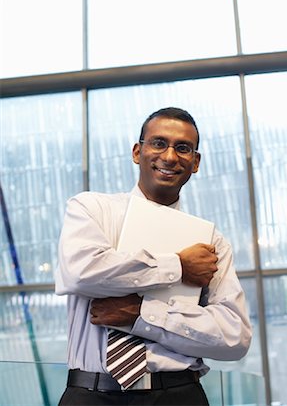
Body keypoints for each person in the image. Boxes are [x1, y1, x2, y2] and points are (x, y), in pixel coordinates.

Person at [55, 107, 252, 406]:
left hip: (178, 394)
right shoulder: (91, 208)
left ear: (195, 162)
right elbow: (80, 273)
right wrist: (177, 266)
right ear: (138, 151)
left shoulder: (211, 241)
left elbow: (234, 337)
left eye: (183, 148)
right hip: (89, 394)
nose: (170, 156)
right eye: (159, 143)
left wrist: (141, 315)